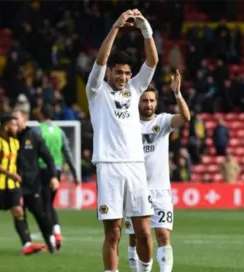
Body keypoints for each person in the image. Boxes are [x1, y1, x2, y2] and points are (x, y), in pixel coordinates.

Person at [86, 9, 158, 272]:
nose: (124, 77)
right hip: (108, 166)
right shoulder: (96, 91)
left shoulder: (136, 89)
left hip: (135, 166)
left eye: (128, 73)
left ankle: (146, 269)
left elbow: (152, 61)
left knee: (144, 231)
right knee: (113, 233)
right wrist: (116, 27)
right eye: (119, 73)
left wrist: (145, 29)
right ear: (109, 73)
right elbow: (101, 60)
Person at [125, 70, 190, 272]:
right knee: (135, 237)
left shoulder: (162, 122)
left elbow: (186, 118)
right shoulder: (128, 123)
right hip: (134, 189)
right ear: (138, 102)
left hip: (160, 190)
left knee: (163, 235)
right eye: (144, 100)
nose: (149, 105)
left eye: (152, 100)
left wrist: (177, 94)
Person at [0, 113, 44, 257]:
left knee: (18, 211)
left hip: (12, 185)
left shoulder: (15, 142)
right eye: (14, 124)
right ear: (6, 126)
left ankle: (27, 244)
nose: (16, 127)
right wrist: (11, 174)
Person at [13, 107, 60, 253]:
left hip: (33, 183)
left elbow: (49, 158)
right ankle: (27, 244)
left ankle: (50, 241)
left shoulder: (33, 135)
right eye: (12, 119)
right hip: (14, 183)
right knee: (18, 211)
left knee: (40, 214)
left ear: (25, 120)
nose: (13, 122)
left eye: (16, 118)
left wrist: (53, 176)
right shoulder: (9, 137)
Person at [36, 104, 80, 251]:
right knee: (49, 204)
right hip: (57, 171)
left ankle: (51, 241)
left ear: (41, 115)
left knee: (44, 206)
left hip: (42, 171)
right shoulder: (59, 131)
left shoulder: (37, 130)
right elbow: (68, 154)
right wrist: (75, 174)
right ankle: (57, 234)